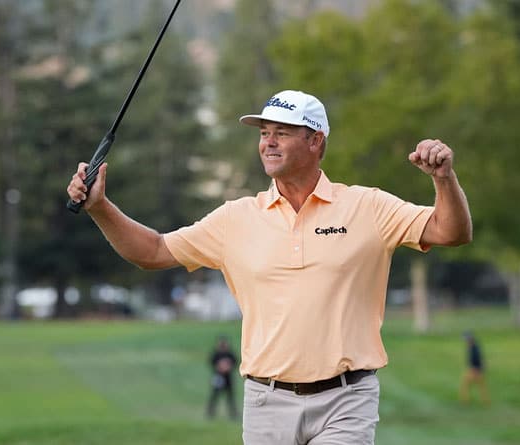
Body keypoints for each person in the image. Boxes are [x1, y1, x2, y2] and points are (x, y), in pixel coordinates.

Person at [66, 89, 472, 444]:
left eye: (282, 132)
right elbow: (153, 251)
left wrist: (444, 179)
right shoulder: (235, 219)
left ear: (316, 141)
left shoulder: (367, 206)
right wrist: (100, 208)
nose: (268, 143)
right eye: (264, 133)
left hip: (346, 400)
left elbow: (449, 231)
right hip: (266, 402)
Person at [208, 335, 238, 420]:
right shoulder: (216, 353)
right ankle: (210, 413)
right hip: (218, 377)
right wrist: (219, 367)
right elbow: (212, 362)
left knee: (230, 397)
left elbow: (235, 362)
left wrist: (228, 367)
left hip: (228, 378)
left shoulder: (230, 353)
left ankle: (233, 414)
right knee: (214, 396)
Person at [459, 331, 488, 405]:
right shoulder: (473, 346)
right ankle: (486, 401)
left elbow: (477, 359)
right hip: (477, 369)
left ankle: (465, 401)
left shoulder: (474, 347)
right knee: (481, 386)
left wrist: (476, 369)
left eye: (466, 339)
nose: (465, 341)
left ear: (469, 339)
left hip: (474, 370)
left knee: (465, 385)